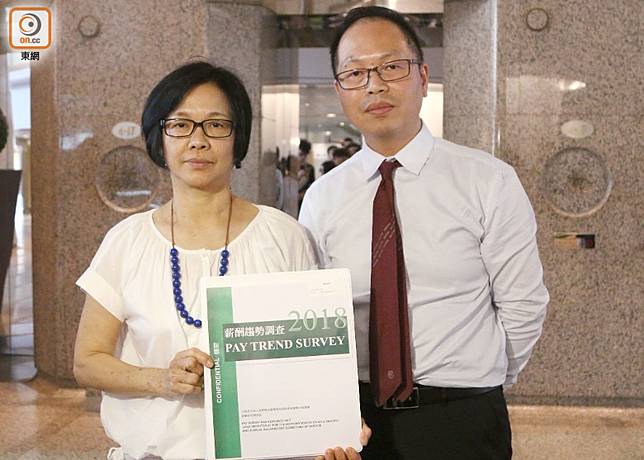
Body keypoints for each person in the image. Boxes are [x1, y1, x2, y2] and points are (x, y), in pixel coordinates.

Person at [73, 62, 368, 460]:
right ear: (159, 139)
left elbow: (314, 353)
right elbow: (88, 362)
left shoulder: (283, 236)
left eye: (215, 125)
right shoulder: (126, 242)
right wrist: (162, 379)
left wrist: (335, 420)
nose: (198, 141)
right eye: (180, 125)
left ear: (237, 138)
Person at [299, 6, 549, 460]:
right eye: (355, 73)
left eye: (391, 67)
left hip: (461, 417)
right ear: (339, 90)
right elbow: (312, 313)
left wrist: (480, 379)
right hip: (357, 421)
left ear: (423, 76)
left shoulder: (487, 180)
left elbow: (523, 303)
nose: (374, 85)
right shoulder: (323, 197)